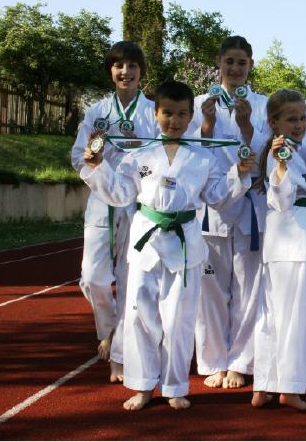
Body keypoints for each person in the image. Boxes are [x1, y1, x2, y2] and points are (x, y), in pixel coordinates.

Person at [80, 81, 255, 410]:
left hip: (184, 242)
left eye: (181, 114)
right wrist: (97, 166)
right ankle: (143, 385)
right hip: (146, 241)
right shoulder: (140, 155)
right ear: (156, 114)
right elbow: (120, 193)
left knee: (179, 319)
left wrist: (239, 172)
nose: (174, 121)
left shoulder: (201, 157)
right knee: (140, 315)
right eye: (168, 113)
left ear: (191, 116)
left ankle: (175, 386)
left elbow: (217, 197)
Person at [70, 41, 158, 383]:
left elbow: (159, 155)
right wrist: (94, 164)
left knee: (128, 277)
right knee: (93, 277)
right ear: (110, 70)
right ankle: (107, 329)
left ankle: (118, 352)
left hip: (137, 201)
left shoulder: (151, 112)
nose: (126, 72)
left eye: (132, 66)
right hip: (102, 200)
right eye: (119, 65)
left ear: (141, 71)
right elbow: (78, 156)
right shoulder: (97, 112)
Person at [188, 36, 269, 390]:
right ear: (218, 63)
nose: (235, 68)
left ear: (251, 65)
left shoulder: (263, 104)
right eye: (229, 61)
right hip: (213, 207)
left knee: (248, 289)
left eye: (241, 62)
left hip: (250, 204)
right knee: (211, 288)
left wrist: (248, 126)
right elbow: (189, 152)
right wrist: (206, 126)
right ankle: (213, 360)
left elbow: (269, 154)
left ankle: (241, 362)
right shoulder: (198, 104)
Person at [251, 89, 306, 411]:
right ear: (274, 122)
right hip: (295, 240)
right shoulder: (280, 153)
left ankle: (264, 385)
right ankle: (290, 387)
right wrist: (281, 167)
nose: (299, 124)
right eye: (292, 119)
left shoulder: (291, 151)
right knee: (297, 316)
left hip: (285, 242)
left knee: (271, 315)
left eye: (303, 118)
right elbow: (280, 197)